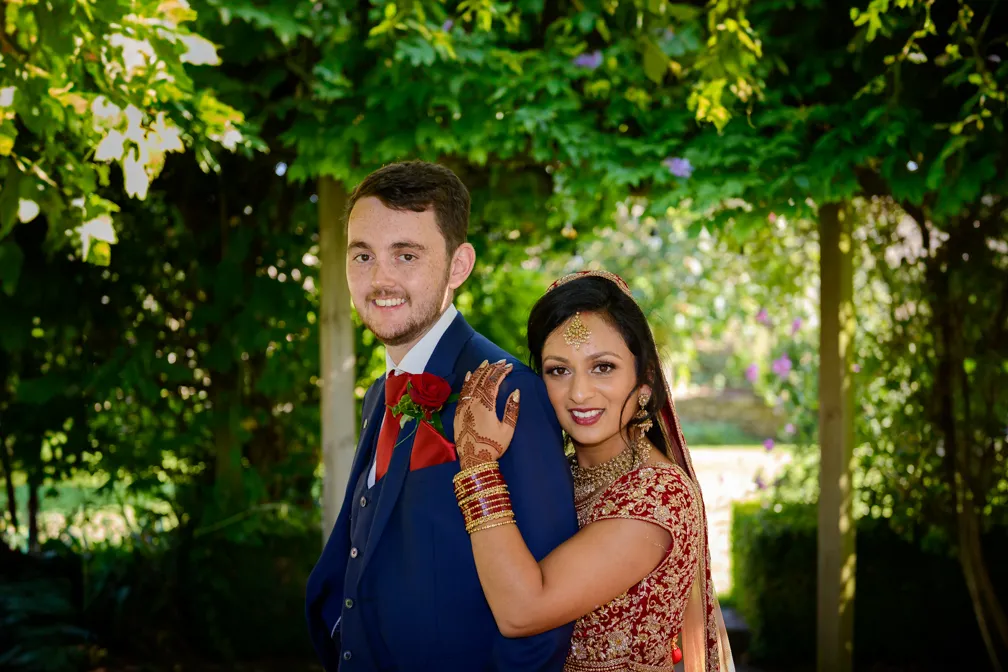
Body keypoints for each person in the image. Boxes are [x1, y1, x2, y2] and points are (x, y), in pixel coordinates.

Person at [304, 160, 579, 671]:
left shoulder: (508, 390)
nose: (379, 277)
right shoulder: (377, 396)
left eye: (405, 255)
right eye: (362, 255)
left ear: (458, 265)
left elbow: (544, 618)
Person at [451, 270, 735, 672]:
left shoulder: (659, 495)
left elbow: (522, 611)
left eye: (603, 367)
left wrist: (478, 465)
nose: (579, 392)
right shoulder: (558, 475)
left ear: (646, 381)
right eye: (558, 370)